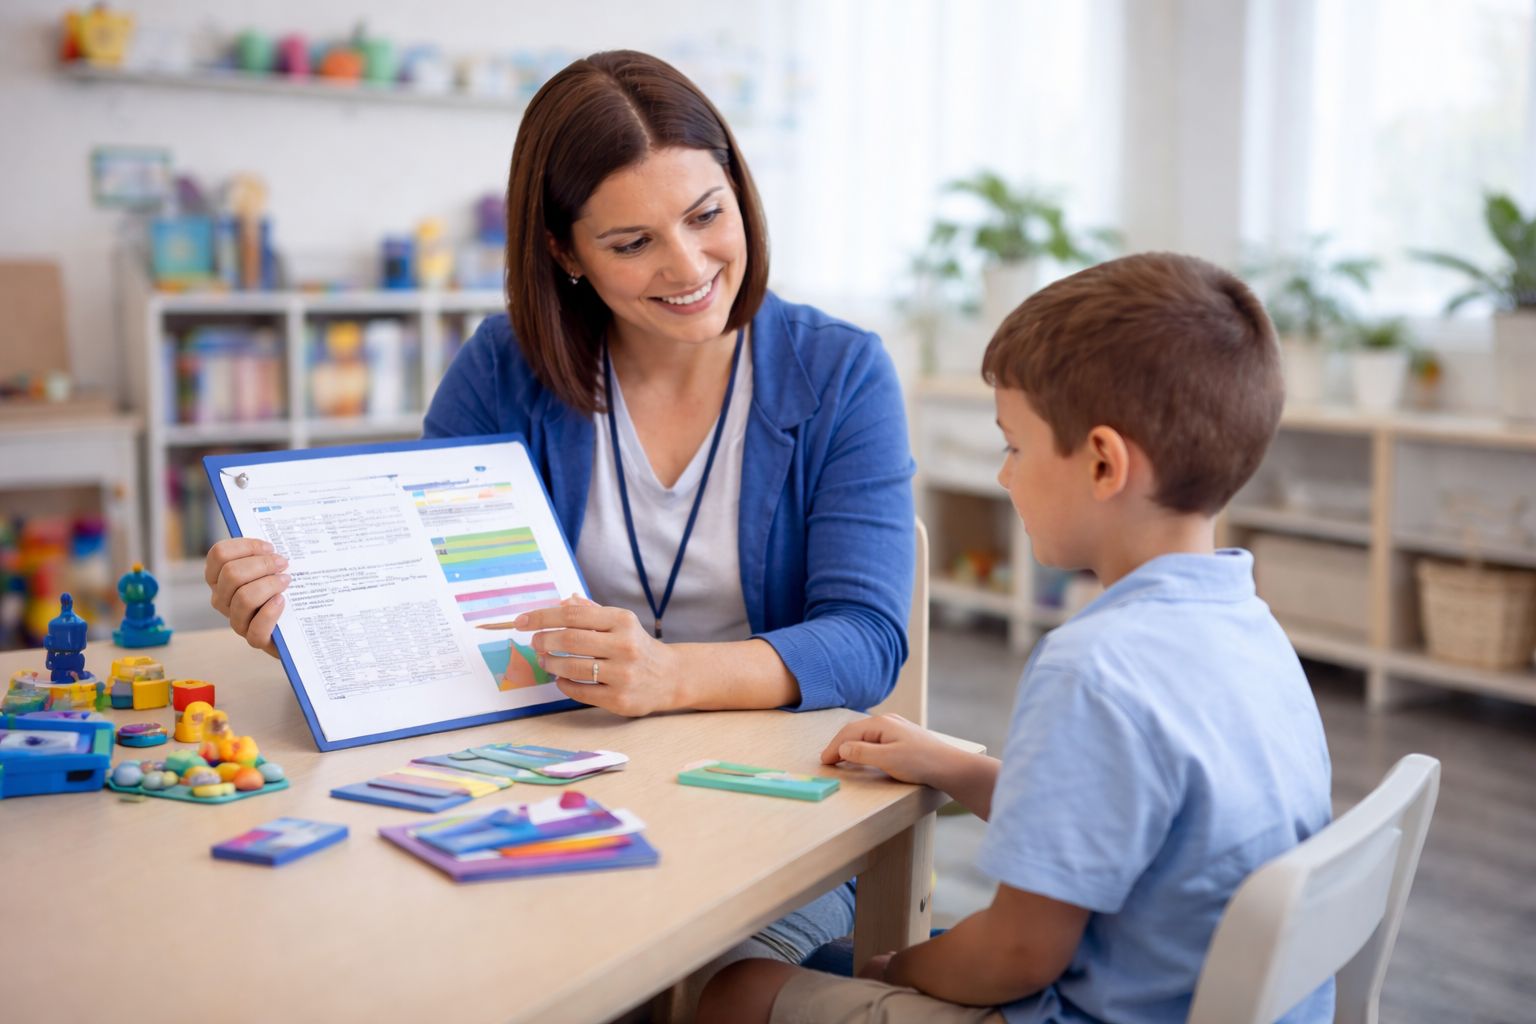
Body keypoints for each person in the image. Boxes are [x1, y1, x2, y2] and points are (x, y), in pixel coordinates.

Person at [202, 48, 913, 967]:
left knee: (690, 984)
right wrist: (310, 619)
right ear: (564, 252)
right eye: (632, 243)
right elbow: (431, 604)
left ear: (740, 192)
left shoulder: (841, 371)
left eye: (707, 215)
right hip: (547, 786)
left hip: (769, 802)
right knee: (418, 959)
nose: (689, 265)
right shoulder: (504, 366)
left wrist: (668, 677)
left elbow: (866, 639)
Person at [699, 252, 1334, 1024]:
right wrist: (958, 768)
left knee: (733, 993)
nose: (1005, 477)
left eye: (1014, 446)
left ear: (1102, 463)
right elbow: (1121, 819)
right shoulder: (1247, 626)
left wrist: (907, 967)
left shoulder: (1092, 667)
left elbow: (1018, 953)